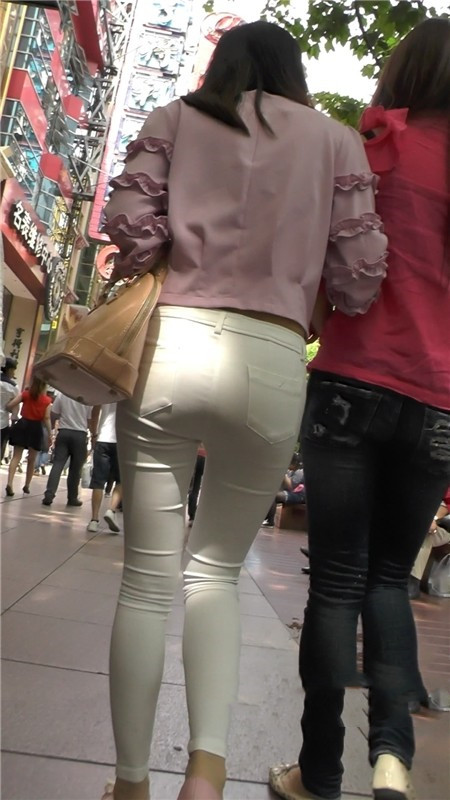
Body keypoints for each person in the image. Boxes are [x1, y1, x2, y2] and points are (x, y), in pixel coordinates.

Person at [100, 20, 387, 800]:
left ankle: (130, 783)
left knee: (145, 581)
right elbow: (362, 273)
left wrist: (165, 253)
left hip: (171, 344)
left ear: (221, 64)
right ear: (294, 71)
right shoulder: (336, 142)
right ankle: (207, 769)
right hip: (271, 355)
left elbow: (126, 222)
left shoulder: (175, 118)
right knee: (216, 573)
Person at [269, 18, 450, 800]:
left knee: (336, 583)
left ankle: (318, 772)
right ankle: (393, 760)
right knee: (388, 580)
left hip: (350, 382)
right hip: (439, 401)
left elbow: (321, 258)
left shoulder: (373, 149)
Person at [42, 392, 93, 507]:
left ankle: (49, 494)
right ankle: (72, 498)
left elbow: (54, 413)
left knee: (57, 464)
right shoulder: (88, 396)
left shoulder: (63, 394)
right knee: (75, 469)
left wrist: (52, 428)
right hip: (80, 434)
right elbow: (90, 418)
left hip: (64, 432)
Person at [5, 375, 52, 496]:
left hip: (23, 424)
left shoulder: (25, 394)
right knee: (32, 459)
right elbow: (46, 418)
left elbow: (10, 405)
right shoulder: (47, 400)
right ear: (44, 385)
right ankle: (27, 485)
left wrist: (13, 412)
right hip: (36, 428)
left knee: (16, 456)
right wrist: (50, 433)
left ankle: (9, 483)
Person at [87, 404, 122, 534]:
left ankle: (94, 520)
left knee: (98, 481)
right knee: (121, 479)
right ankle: (111, 510)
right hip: (121, 441)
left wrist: (94, 434)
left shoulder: (104, 393)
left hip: (103, 439)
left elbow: (95, 412)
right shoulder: (129, 394)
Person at [408, 489, 450, 599]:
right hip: (421, 519)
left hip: (443, 529)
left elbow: (446, 503)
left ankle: (413, 581)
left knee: (425, 531)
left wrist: (432, 518)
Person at [263, 453, 305, 526]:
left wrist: (283, 473)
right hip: (292, 493)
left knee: (274, 496)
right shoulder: (291, 471)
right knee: (271, 493)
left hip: (299, 495)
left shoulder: (300, 472)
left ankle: (270, 521)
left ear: (294, 463)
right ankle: (266, 518)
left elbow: (291, 486)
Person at [1, 358, 18, 462]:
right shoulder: (13, 386)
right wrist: (14, 421)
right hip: (3, 423)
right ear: (10, 369)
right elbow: (14, 408)